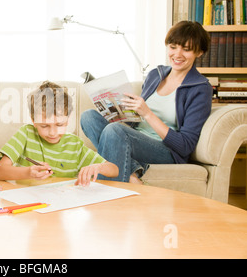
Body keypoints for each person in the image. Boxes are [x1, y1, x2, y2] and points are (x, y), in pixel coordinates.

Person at [80, 21, 213, 184]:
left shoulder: (200, 88)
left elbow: (185, 145)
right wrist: (121, 108)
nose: (177, 54)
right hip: (137, 140)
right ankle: (132, 169)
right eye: (173, 47)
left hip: (166, 150)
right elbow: (137, 122)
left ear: (199, 52)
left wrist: (147, 113)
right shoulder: (155, 75)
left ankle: (106, 195)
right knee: (88, 117)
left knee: (115, 131)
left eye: (186, 49)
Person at [0, 81, 118, 185]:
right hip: (28, 203)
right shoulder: (25, 134)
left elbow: (114, 170)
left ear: (68, 120)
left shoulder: (74, 145)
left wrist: (98, 167)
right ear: (33, 121)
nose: (53, 133)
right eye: (44, 126)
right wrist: (28, 172)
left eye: (59, 125)